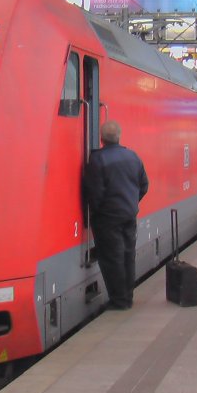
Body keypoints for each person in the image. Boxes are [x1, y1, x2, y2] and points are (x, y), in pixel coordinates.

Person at [84, 121, 149, 310]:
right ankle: (127, 296)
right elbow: (144, 185)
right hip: (129, 214)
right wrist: (131, 202)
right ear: (119, 136)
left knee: (112, 258)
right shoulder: (132, 157)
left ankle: (119, 300)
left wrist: (96, 212)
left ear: (102, 139)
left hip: (107, 218)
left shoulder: (97, 160)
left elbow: (95, 193)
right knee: (128, 255)